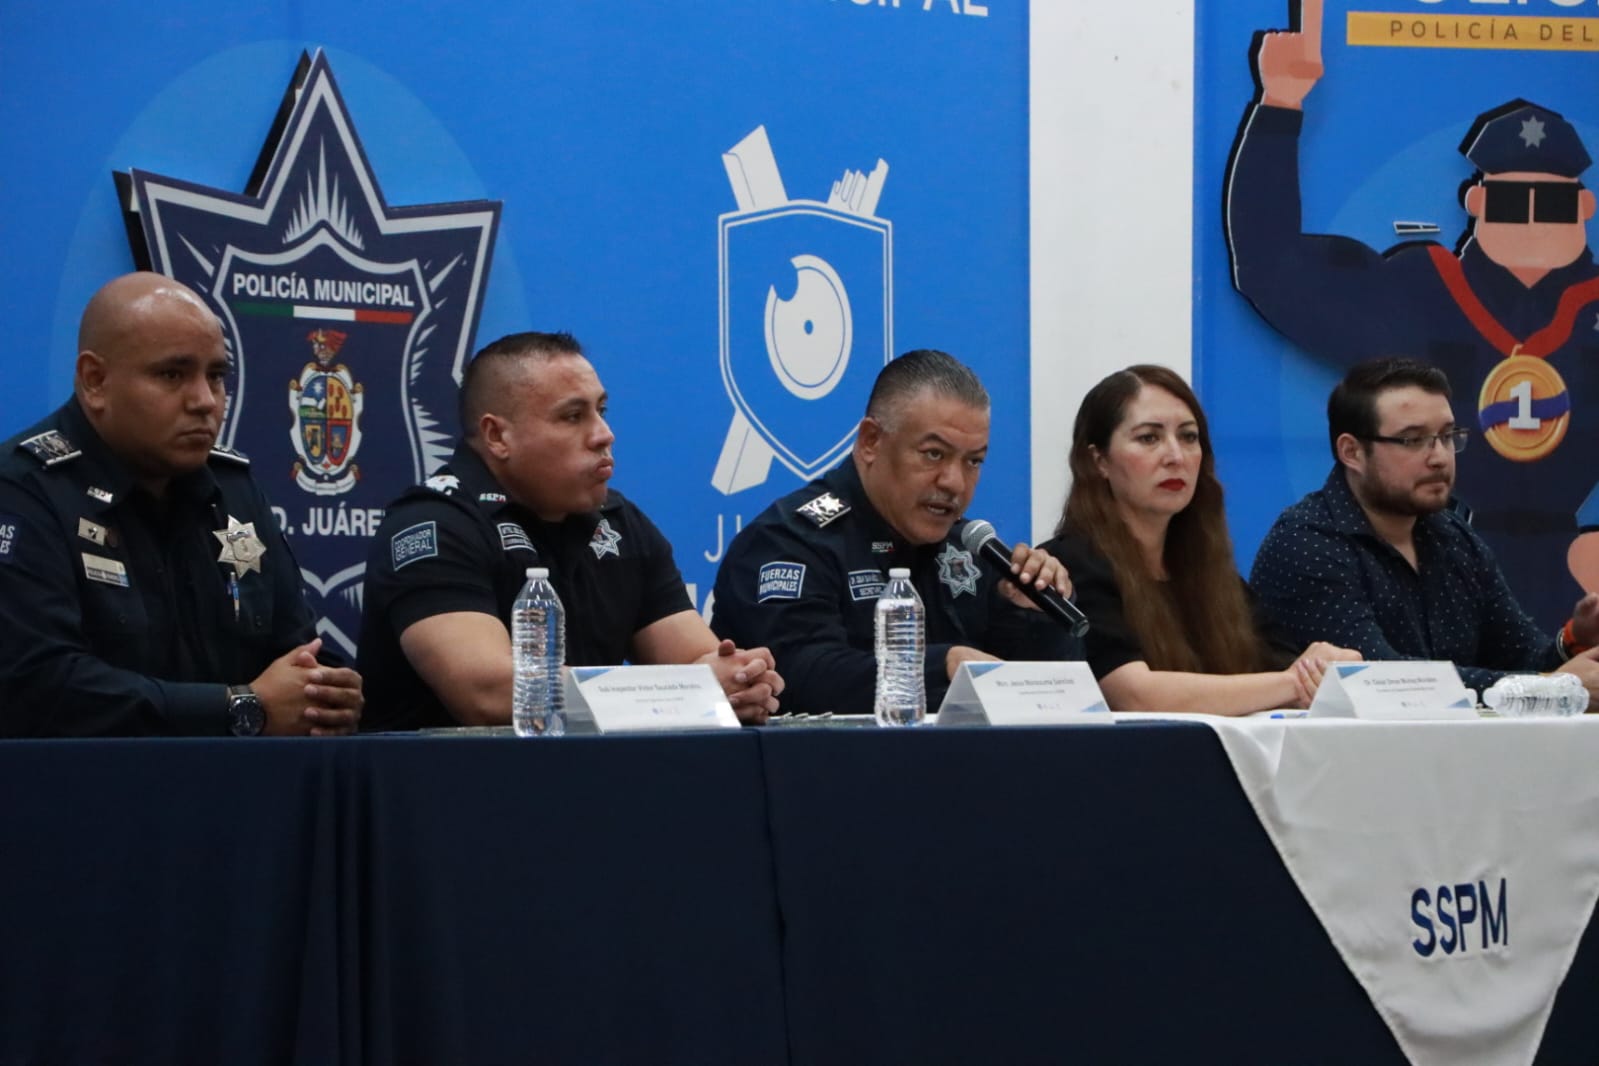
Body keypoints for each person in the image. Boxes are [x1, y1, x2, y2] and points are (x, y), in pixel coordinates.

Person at [1227, 0, 1599, 627]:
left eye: (1554, 205)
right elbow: (1272, 268)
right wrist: (1280, 104)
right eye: (1512, 203)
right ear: (1475, 201)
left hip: (1579, 569)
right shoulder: (1423, 291)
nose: (1532, 223)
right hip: (1438, 564)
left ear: (1585, 208)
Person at [358, 331, 783, 730]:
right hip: (451, 780)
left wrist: (739, 681)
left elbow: (697, 661)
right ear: (497, 435)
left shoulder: (620, 523)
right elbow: (488, 691)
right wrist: (686, 692)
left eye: (602, 411)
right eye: (573, 416)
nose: (604, 435)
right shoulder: (433, 524)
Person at [0, 272, 364, 737]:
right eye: (172, 375)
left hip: (239, 780)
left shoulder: (233, 489)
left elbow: (296, 651)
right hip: (83, 782)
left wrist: (326, 694)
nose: (204, 401)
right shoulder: (24, 492)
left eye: (216, 376)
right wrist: (240, 709)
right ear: (95, 381)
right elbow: (38, 686)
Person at [711, 349, 1077, 715]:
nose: (954, 482)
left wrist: (1034, 618)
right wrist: (941, 668)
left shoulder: (971, 550)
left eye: (973, 461)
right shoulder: (789, 541)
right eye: (934, 454)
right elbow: (799, 676)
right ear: (871, 441)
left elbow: (1040, 705)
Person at [1250, 358, 1599, 704]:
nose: (1440, 457)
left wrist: (1573, 642)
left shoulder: (1454, 536)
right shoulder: (1306, 543)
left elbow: (1523, 658)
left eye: (1447, 436)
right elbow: (1380, 681)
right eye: (1413, 440)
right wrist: (1551, 686)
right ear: (1352, 452)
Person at [1039, 365, 1359, 715]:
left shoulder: (1214, 577)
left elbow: (1282, 665)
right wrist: (1296, 682)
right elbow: (1134, 696)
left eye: (1189, 437)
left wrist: (1325, 668)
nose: (1175, 457)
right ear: (1098, 460)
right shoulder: (1070, 567)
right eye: (1149, 438)